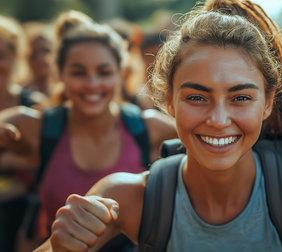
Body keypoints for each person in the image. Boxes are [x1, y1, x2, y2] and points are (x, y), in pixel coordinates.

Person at [34, 4, 282, 252]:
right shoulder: (127, 198)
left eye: (240, 98)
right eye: (197, 97)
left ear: (268, 102)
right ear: (169, 102)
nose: (219, 119)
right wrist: (60, 247)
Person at [0, 10, 177, 251]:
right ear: (60, 74)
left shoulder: (147, 127)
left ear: (120, 73)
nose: (92, 84)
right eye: (78, 72)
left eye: (104, 72)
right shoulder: (39, 126)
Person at [0, 14, 47, 252]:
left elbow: (49, 157)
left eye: (1, 56)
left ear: (15, 58)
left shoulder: (34, 104)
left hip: (23, 212)